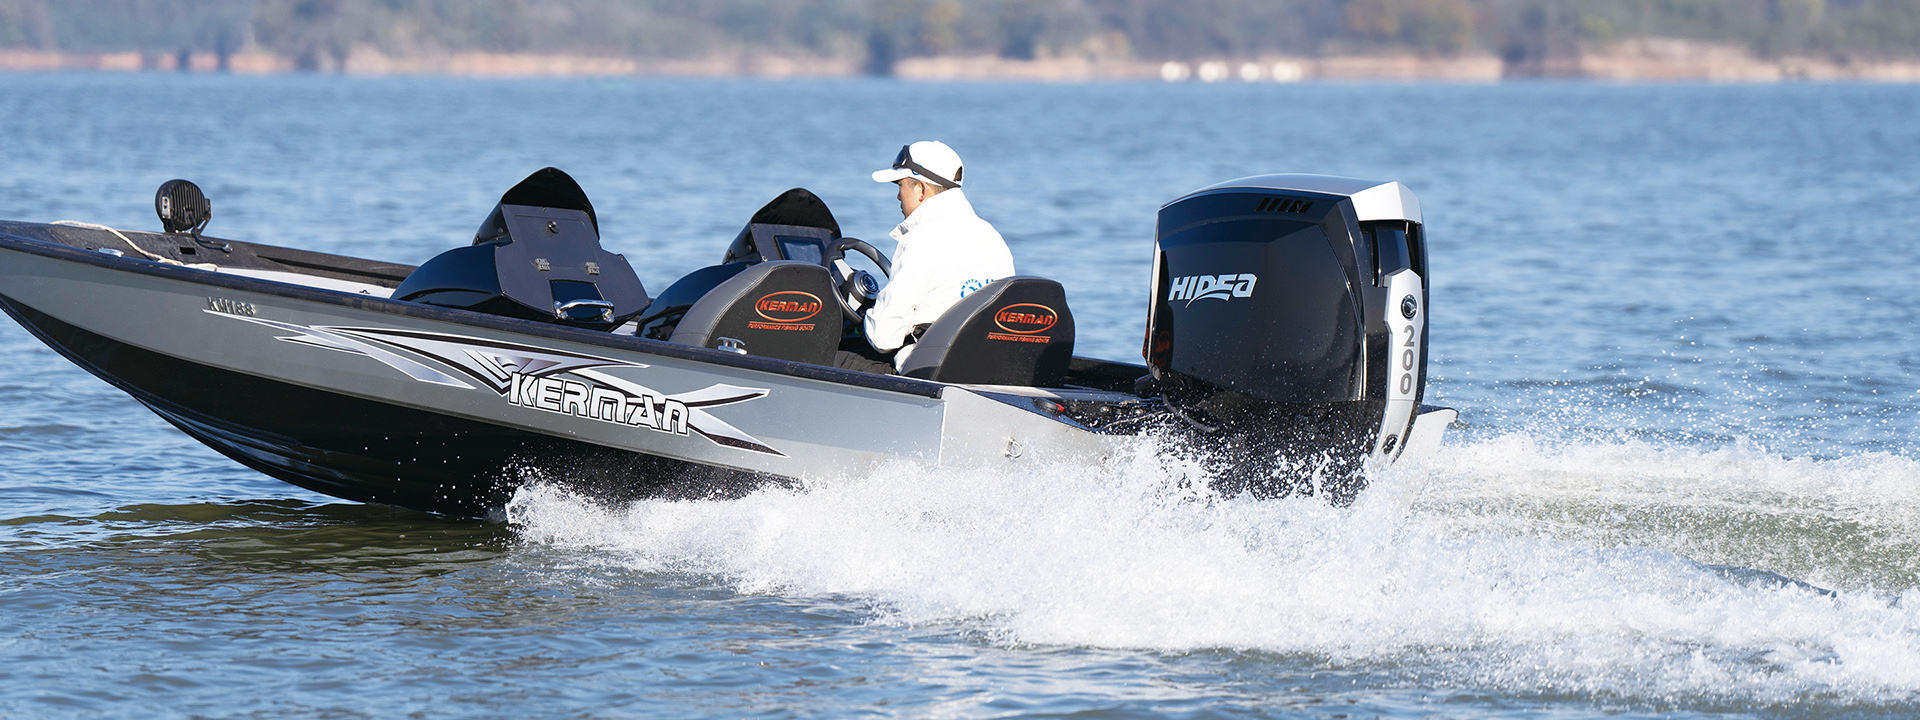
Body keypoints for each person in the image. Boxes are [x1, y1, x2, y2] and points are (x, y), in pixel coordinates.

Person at [835, 141, 1015, 374]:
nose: (898, 196)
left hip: (927, 372)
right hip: (985, 367)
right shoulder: (992, 237)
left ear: (921, 189)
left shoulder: (919, 239)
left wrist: (865, 317)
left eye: (900, 185)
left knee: (826, 359)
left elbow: (883, 338)